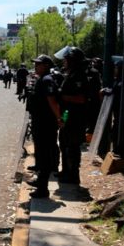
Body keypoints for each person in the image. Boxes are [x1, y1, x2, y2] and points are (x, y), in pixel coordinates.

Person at [25, 55, 62, 198]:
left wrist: (59, 118)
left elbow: (52, 101)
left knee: (45, 155)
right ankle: (40, 182)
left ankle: (43, 189)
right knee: (40, 154)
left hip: (46, 124)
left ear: (46, 65)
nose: (36, 66)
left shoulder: (47, 80)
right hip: (40, 123)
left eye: (38, 64)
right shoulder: (43, 79)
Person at [58, 47, 88, 185]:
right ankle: (66, 172)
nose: (64, 61)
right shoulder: (70, 74)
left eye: (66, 59)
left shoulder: (79, 76)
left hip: (76, 118)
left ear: (72, 60)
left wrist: (63, 96)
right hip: (67, 114)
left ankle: (73, 175)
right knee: (64, 143)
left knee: (72, 147)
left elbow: (81, 99)